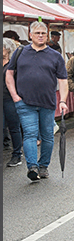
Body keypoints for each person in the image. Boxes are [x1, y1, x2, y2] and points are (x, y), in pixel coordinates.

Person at [4, 20, 70, 181]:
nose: (41, 36)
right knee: (30, 134)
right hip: (25, 103)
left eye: (43, 34)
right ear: (30, 35)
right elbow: (9, 74)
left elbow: (63, 80)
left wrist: (63, 100)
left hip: (47, 103)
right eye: (37, 33)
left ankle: (43, 166)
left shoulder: (55, 56)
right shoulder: (20, 52)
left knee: (47, 136)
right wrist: (15, 96)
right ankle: (32, 166)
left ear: (47, 36)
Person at [3, 38, 24, 167]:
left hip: (10, 99)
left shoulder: (13, 64)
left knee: (14, 127)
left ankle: (17, 154)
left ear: (8, 49)